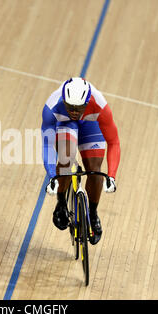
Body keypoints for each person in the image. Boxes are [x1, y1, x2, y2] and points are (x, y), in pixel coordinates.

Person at [41, 77, 120, 245]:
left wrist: (111, 176)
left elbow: (114, 142)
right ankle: (61, 203)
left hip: (90, 123)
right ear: (64, 100)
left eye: (79, 107)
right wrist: (52, 176)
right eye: (71, 107)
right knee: (66, 157)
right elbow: (47, 144)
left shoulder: (100, 105)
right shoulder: (52, 106)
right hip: (65, 123)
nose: (75, 112)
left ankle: (93, 213)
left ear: (87, 101)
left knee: (95, 168)